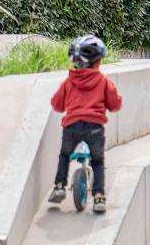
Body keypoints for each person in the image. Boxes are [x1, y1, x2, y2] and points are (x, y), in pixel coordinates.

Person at [48, 35, 122, 213]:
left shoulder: (69, 81)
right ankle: (99, 197)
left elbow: (57, 104)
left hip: (71, 127)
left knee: (65, 155)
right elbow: (114, 104)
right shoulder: (104, 81)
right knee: (97, 161)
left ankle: (59, 186)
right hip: (94, 128)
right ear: (97, 63)